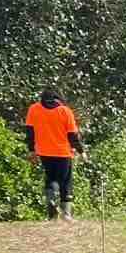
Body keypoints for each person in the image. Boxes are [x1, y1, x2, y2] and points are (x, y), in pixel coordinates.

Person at [24, 91, 83, 219]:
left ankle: (51, 207)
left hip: (43, 151)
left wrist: (31, 150)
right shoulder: (65, 111)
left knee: (50, 178)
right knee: (65, 181)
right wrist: (81, 151)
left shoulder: (34, 109)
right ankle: (66, 215)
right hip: (63, 152)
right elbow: (72, 135)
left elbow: (30, 131)